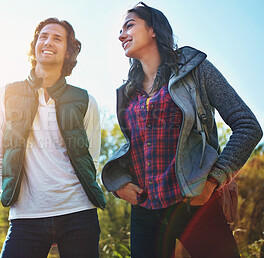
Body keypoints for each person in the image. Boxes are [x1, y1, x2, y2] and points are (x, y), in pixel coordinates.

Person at [101, 2, 263, 258]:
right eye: (120, 30)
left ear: (153, 30)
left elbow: (248, 126)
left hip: (194, 204)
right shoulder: (128, 93)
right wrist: (119, 182)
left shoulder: (195, 69)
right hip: (145, 213)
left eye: (129, 25)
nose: (121, 35)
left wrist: (214, 180)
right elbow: (135, 148)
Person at [0, 17, 106, 258]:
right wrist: (14, 195)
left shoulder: (85, 100)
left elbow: (91, 159)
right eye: (43, 36)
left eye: (57, 38)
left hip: (78, 214)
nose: (48, 41)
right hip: (26, 217)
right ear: (35, 45)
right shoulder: (6, 94)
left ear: (68, 51)